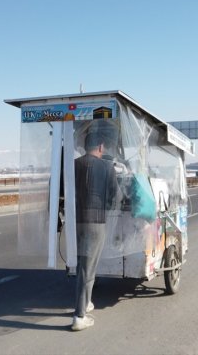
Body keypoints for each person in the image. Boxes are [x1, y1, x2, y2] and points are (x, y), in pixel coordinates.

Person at [71, 130, 119, 331]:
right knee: (87, 268)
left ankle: (87, 301)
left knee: (85, 264)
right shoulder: (107, 167)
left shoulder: (74, 165)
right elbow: (114, 197)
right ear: (100, 146)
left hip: (77, 221)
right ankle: (79, 316)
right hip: (96, 222)